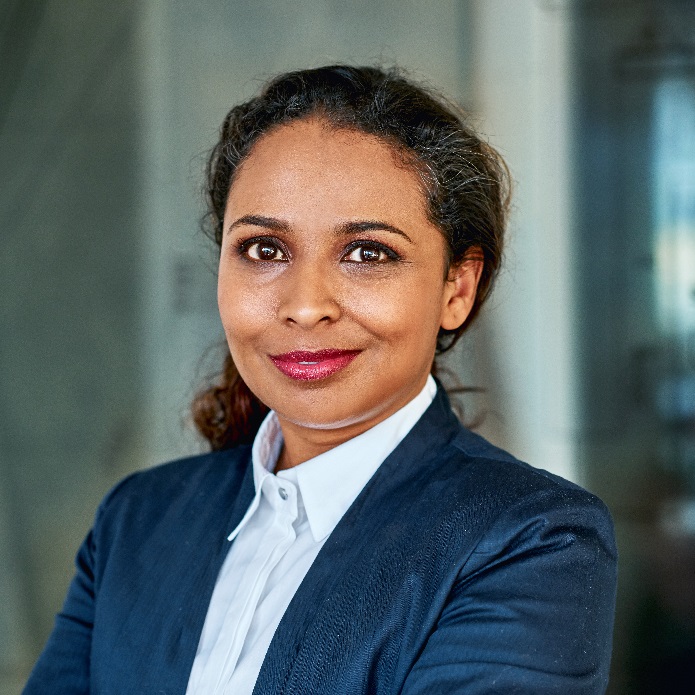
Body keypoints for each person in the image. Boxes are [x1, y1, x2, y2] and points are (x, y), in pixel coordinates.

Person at [24, 65, 617, 694]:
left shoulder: (530, 540)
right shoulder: (138, 522)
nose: (305, 305)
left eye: (367, 252)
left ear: (456, 288)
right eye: (265, 250)